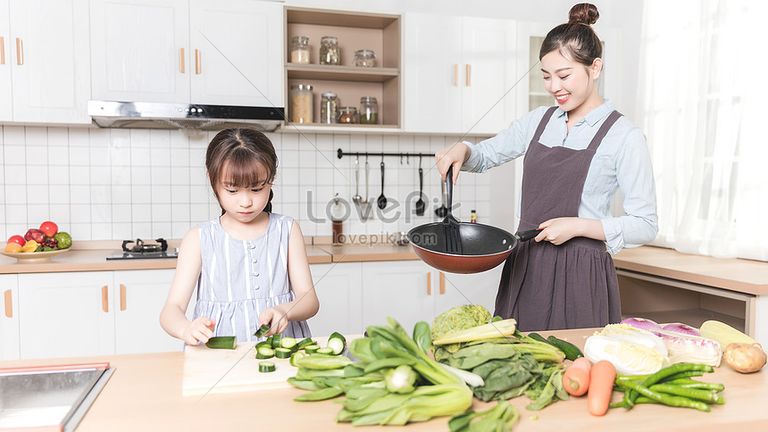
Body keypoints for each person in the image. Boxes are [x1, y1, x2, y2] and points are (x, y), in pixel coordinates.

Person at [435, 3, 658, 331]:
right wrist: (463, 149)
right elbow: (486, 155)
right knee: (517, 365)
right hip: (526, 265)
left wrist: (577, 226)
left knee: (574, 368)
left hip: (582, 272)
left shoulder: (624, 136)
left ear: (595, 68)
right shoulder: (538, 121)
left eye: (564, 75)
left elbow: (645, 223)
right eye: (546, 76)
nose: (554, 87)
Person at [160, 128, 319, 344]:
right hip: (218, 357)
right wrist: (186, 328)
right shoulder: (199, 238)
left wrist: (285, 310)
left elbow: (309, 300)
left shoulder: (287, 230)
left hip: (282, 349)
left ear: (271, 180)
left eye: (256, 188)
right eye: (232, 190)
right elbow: (171, 310)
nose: (246, 202)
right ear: (213, 181)